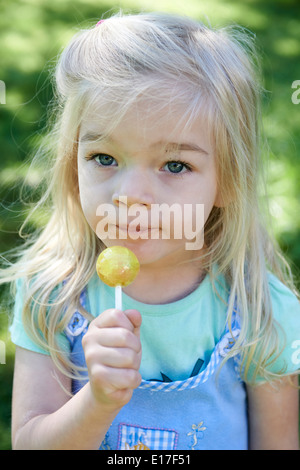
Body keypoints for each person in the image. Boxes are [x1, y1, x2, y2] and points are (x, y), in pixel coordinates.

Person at [2, 11, 300, 450]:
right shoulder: (51, 298)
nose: (131, 195)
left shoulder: (263, 312)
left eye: (175, 165)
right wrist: (97, 402)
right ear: (72, 162)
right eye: (104, 158)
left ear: (229, 180)